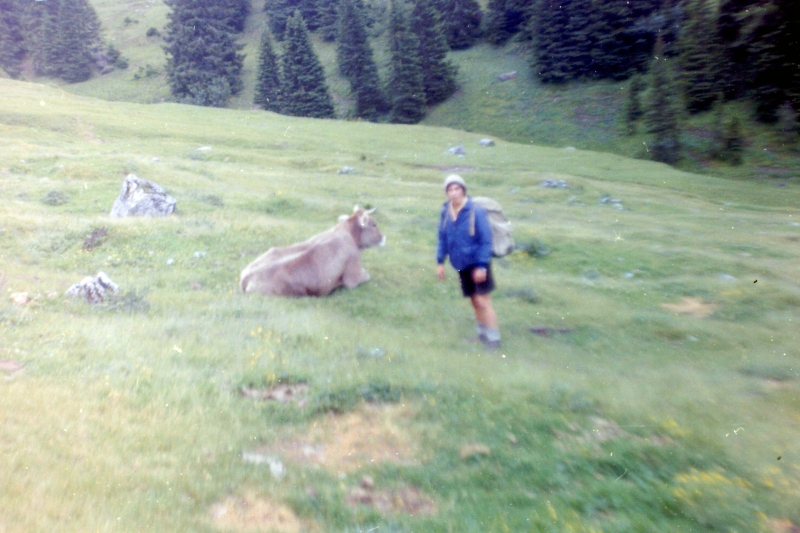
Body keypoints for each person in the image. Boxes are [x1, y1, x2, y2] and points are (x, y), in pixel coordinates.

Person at [436, 174, 501, 349]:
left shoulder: (475, 211)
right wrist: (440, 262)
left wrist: (481, 266)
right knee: (474, 301)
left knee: (483, 300)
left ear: (463, 190)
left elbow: (486, 241)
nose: (454, 193)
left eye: (457, 189)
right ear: (446, 192)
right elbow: (442, 238)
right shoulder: (446, 212)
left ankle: (494, 340)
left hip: (478, 263)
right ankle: (482, 335)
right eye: (450, 189)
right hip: (461, 264)